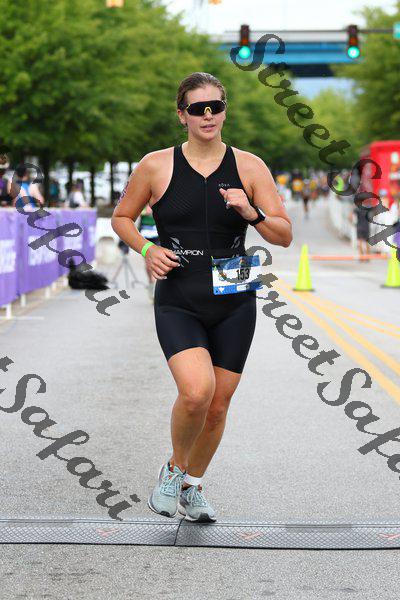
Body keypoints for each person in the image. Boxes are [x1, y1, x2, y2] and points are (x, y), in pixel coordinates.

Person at [111, 72, 292, 522]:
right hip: (181, 293)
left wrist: (251, 212)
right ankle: (173, 471)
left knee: (218, 406)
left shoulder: (250, 166)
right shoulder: (156, 165)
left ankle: (192, 486)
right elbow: (122, 218)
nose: (208, 115)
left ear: (225, 111)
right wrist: (148, 249)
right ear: (182, 115)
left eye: (216, 106)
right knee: (196, 393)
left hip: (235, 292)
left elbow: (283, 234)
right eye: (198, 108)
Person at [137, 203, 161, 302]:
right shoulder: (142, 201)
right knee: (148, 265)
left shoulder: (158, 200)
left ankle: (156, 287)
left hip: (158, 237)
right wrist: (145, 212)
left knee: (158, 262)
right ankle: (151, 282)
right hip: (145, 238)